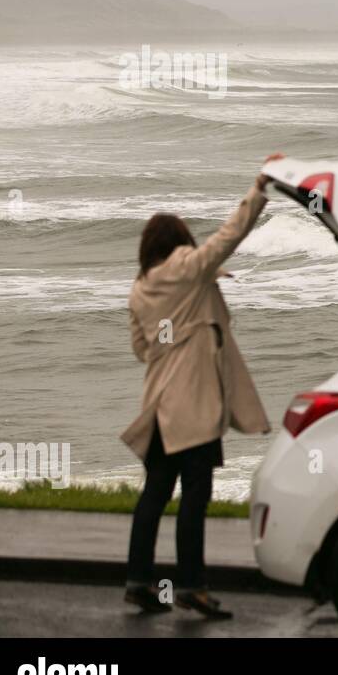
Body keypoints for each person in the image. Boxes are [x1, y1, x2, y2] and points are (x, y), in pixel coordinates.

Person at [123, 158, 280, 619]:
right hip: (192, 405)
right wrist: (258, 189)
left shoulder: (139, 289)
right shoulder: (187, 269)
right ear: (178, 244)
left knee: (154, 495)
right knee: (195, 497)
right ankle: (191, 585)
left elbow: (141, 348)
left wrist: (174, 336)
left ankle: (138, 581)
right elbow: (229, 236)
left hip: (158, 406)